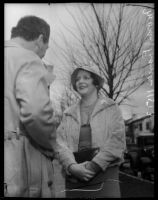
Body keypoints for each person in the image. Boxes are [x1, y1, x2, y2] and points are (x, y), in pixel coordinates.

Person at [4, 15, 57, 197]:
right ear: (41, 39)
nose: (43, 54)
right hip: (15, 169)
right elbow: (36, 114)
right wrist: (52, 145)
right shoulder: (29, 59)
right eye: (45, 49)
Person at [55, 65, 126, 198]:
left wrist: (93, 166)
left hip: (105, 176)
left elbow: (117, 142)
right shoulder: (67, 113)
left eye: (86, 78)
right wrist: (72, 167)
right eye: (77, 79)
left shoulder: (111, 107)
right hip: (74, 179)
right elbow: (60, 144)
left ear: (96, 83)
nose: (80, 81)